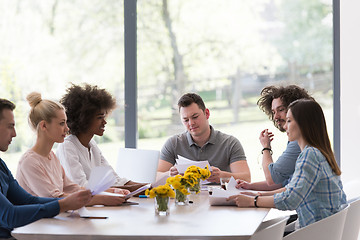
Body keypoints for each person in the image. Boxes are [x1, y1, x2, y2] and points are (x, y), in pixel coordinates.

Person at [228, 99, 347, 229]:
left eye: (289, 121)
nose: (285, 126)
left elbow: (291, 199)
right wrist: (258, 194)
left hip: (314, 232)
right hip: (324, 229)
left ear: (304, 124)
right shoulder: (319, 152)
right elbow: (292, 188)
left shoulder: (310, 155)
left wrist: (253, 201)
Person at [0, 98, 92, 239]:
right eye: (10, 126)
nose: (14, 134)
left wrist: (67, 202)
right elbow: (9, 216)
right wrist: (62, 205)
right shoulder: (29, 160)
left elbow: (28, 200)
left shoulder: (1, 165)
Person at [16, 92, 129, 206]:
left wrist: (111, 192)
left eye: (65, 122)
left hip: (51, 221)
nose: (67, 128)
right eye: (61, 123)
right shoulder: (29, 162)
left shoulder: (52, 157)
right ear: (44, 126)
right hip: (37, 223)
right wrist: (102, 199)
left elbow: (73, 189)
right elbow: (55, 198)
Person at [56, 84, 146, 192]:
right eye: (99, 118)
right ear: (83, 119)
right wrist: (138, 189)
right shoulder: (67, 147)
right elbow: (81, 187)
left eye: (104, 117)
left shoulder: (92, 145)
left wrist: (150, 187)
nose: (105, 122)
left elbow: (115, 180)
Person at [157, 93, 251, 183]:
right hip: (186, 198)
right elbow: (155, 176)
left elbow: (246, 178)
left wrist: (222, 176)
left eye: (195, 117)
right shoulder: (174, 143)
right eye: (186, 120)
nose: (191, 123)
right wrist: (169, 174)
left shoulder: (230, 143)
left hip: (220, 199)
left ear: (207, 113)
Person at [240, 85, 314, 191]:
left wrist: (266, 148)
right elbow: (283, 182)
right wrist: (249, 186)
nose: (275, 117)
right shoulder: (302, 138)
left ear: (296, 109)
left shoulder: (300, 142)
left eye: (280, 110)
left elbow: (272, 178)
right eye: (274, 112)